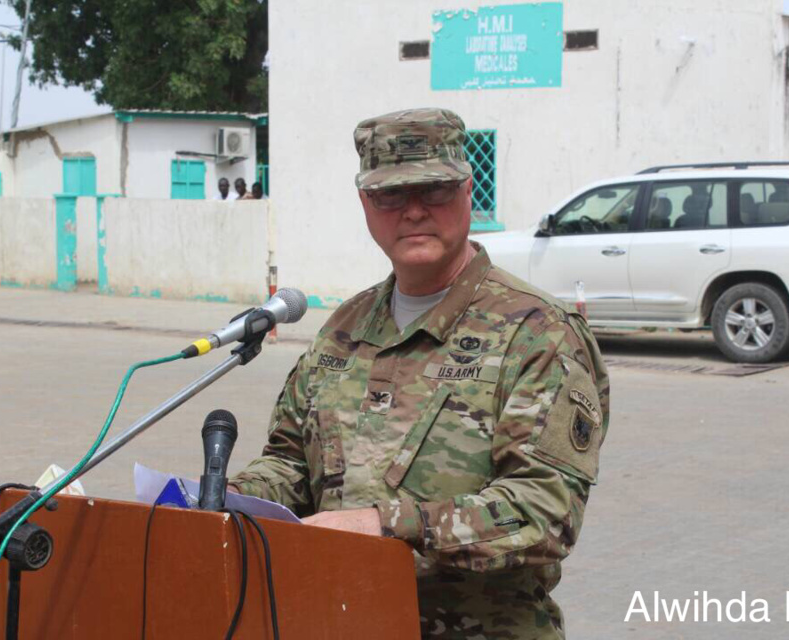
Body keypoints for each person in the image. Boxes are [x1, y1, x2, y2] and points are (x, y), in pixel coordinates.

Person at [230, 108, 610, 639]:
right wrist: (223, 499)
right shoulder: (347, 326)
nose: (412, 211)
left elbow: (545, 512)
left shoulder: (537, 332)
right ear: (366, 204)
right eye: (390, 194)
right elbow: (292, 463)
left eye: (432, 190)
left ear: (466, 191)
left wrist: (386, 525)